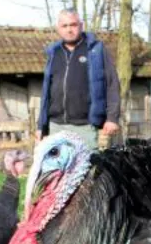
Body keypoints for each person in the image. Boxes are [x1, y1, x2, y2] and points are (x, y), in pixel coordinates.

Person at [36, 8, 121, 150]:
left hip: (85, 126)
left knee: (88, 170)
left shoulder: (95, 50)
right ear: (59, 29)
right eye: (65, 26)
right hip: (55, 126)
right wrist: (41, 126)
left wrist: (112, 118)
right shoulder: (53, 53)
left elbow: (112, 84)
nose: (69, 29)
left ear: (81, 26)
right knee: (58, 171)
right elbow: (46, 93)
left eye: (73, 25)